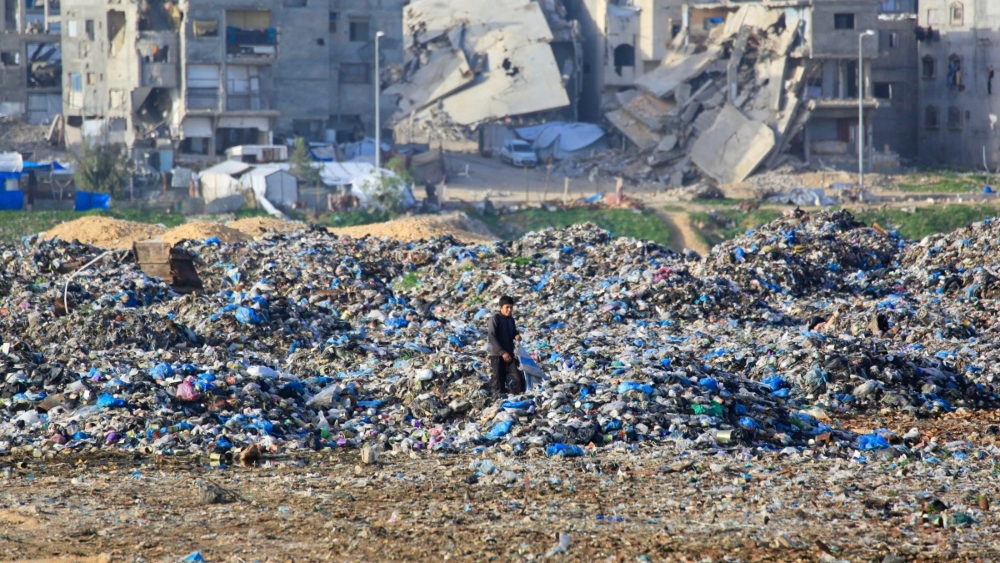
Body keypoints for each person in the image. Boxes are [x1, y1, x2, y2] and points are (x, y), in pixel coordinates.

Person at [487, 295, 525, 394]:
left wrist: (516, 335)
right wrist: (502, 352)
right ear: (500, 308)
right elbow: (492, 336)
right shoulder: (495, 319)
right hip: (497, 355)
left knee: (519, 378)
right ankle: (499, 403)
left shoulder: (510, 319)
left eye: (511, 307)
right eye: (507, 307)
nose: (509, 310)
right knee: (499, 382)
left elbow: (513, 332)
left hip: (509, 354)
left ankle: (518, 398)